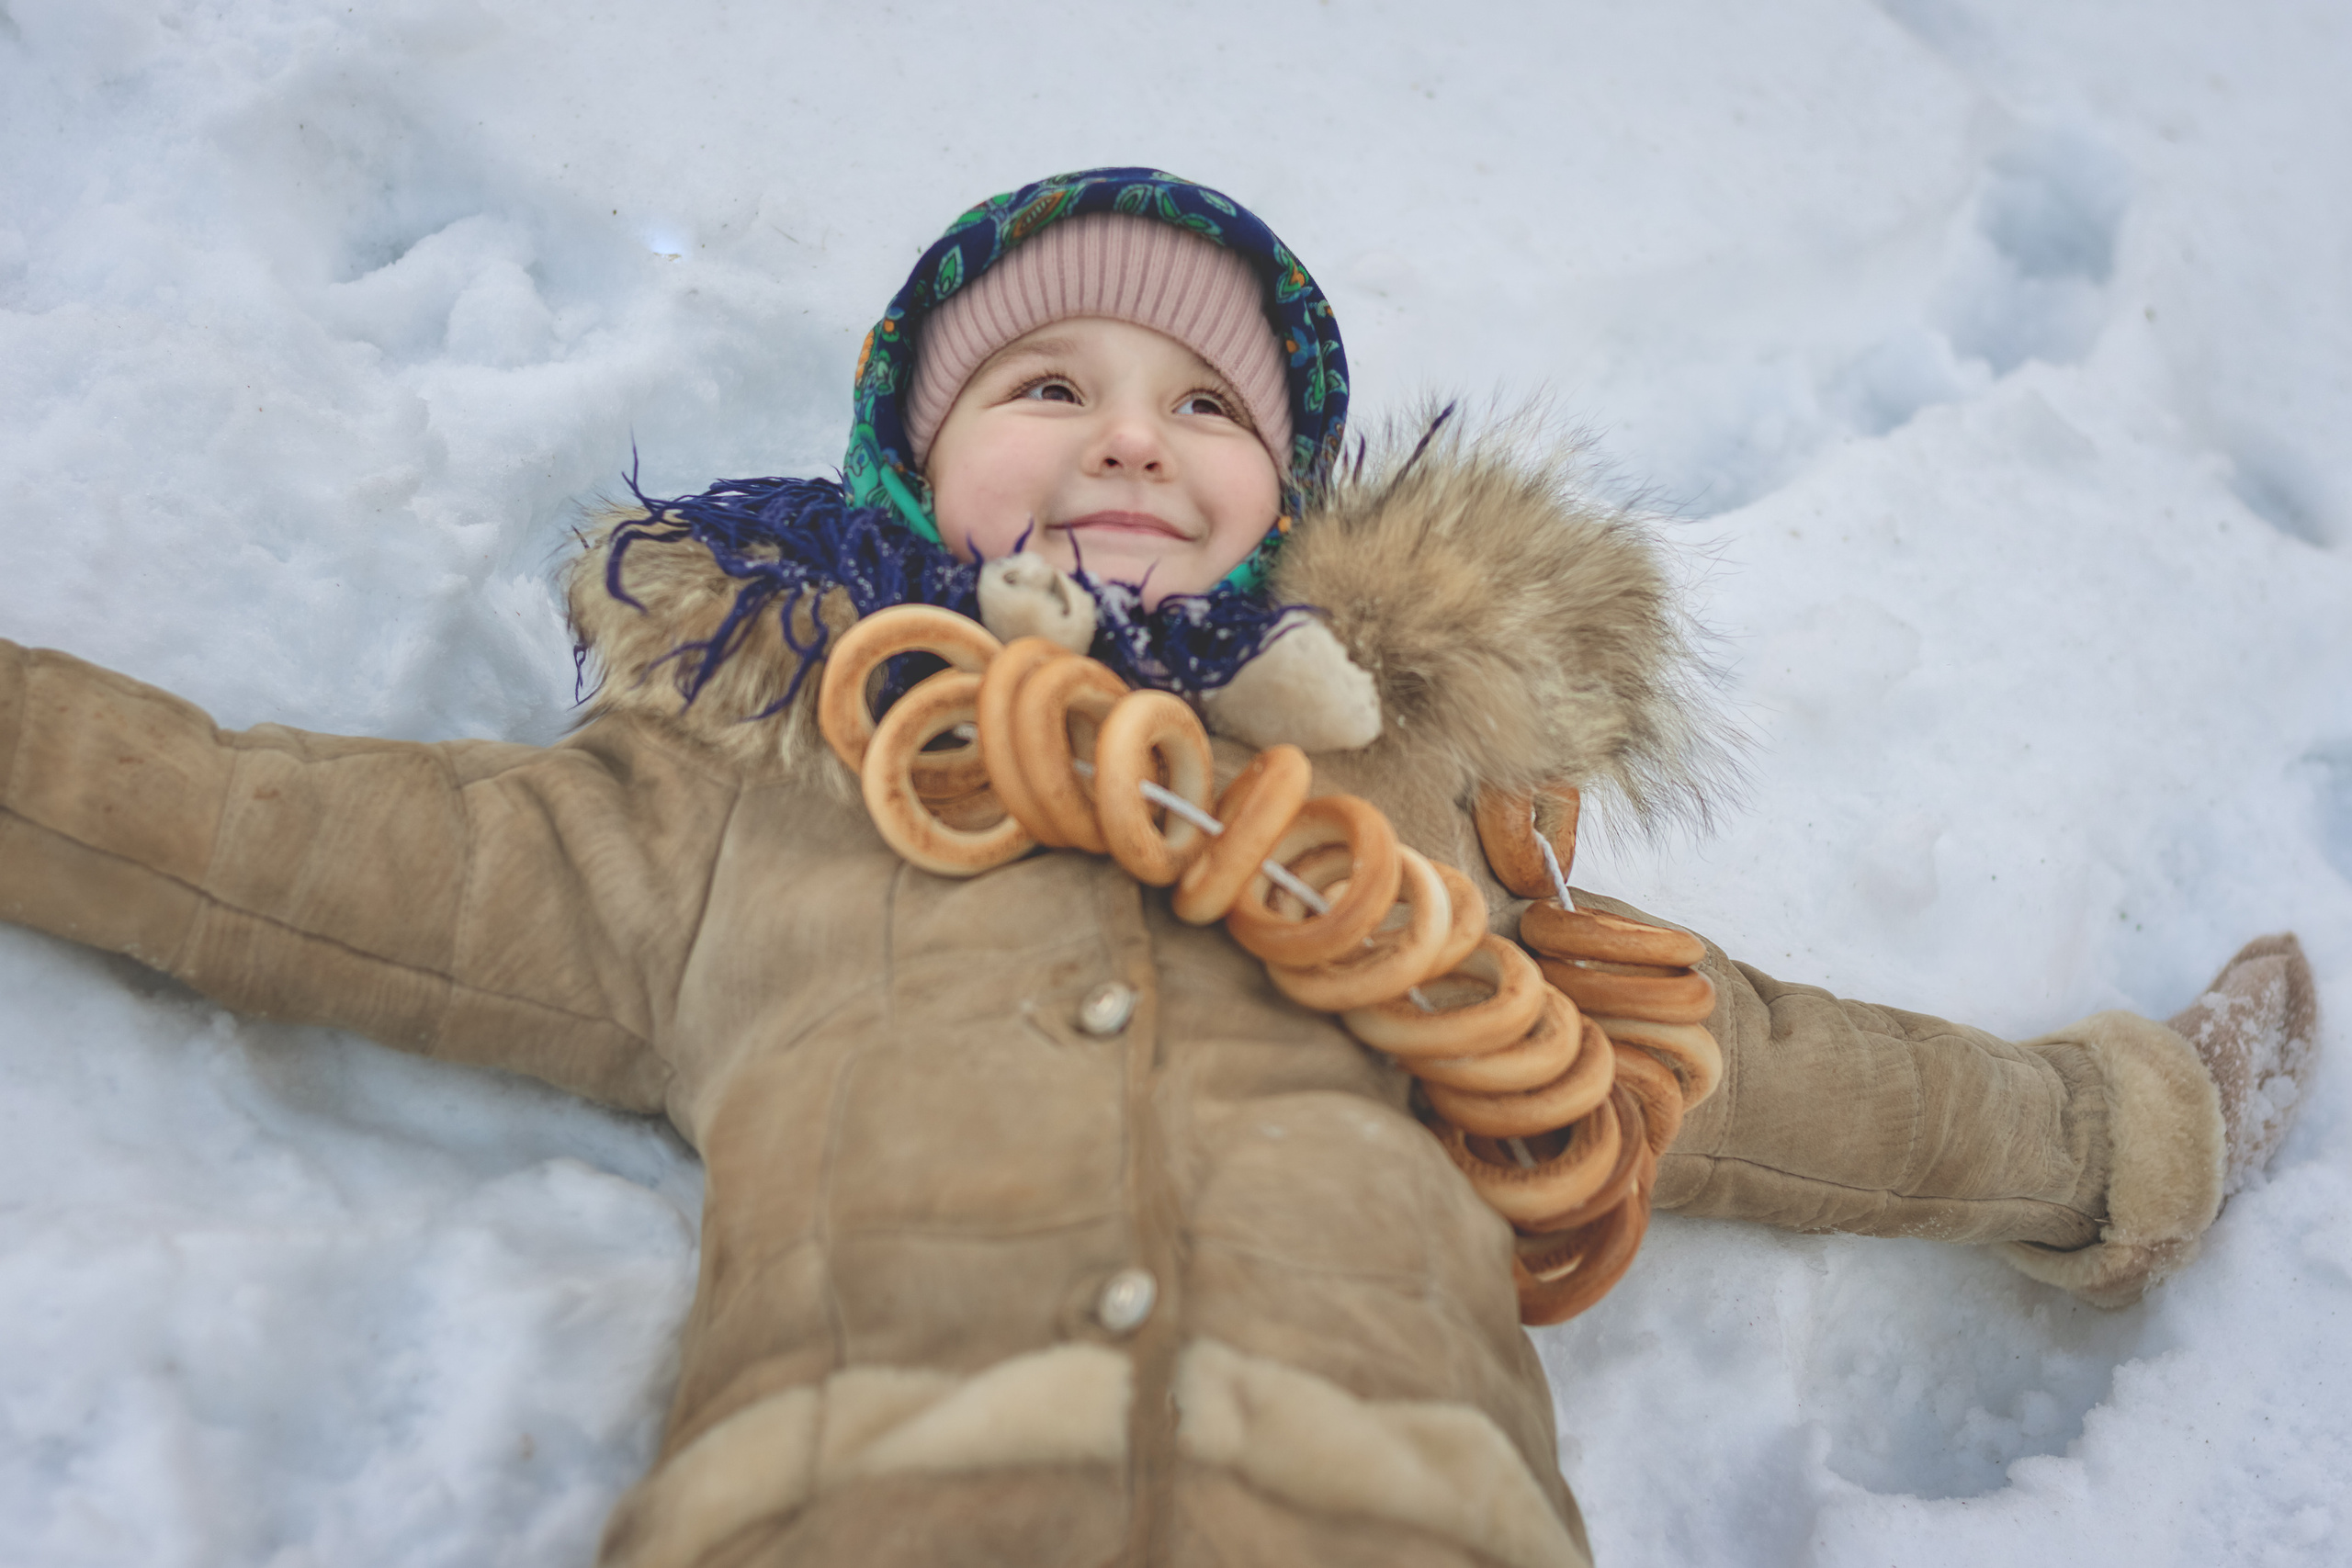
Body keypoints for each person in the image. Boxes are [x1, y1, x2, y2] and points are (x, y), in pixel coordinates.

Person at [0, 167, 2317, 1567]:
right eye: (1046, 386)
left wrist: (2109, 1131)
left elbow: (1748, 1067)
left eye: (1207, 404)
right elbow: (252, 833)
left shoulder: (1396, 821)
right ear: (907, 465)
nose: (1133, 432)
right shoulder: (746, 789)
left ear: (1283, 503)